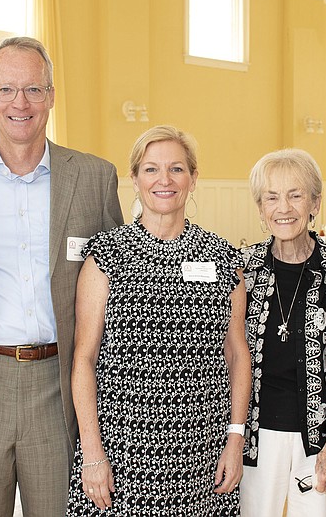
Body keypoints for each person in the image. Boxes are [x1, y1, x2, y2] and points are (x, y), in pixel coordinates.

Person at [0, 36, 123, 516]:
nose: (19, 103)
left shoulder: (93, 177)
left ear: (52, 96)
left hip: (59, 384)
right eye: (5, 89)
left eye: (34, 90)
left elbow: (123, 287)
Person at [66, 125, 251, 515]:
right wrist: (92, 452)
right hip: (122, 454)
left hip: (202, 453)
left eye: (177, 169)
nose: (164, 180)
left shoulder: (223, 258)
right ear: (134, 179)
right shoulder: (107, 256)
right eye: (151, 169)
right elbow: (84, 359)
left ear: (194, 179)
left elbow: (237, 354)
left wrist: (236, 440)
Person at [239, 149, 326, 517]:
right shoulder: (241, 270)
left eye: (295, 194)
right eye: (271, 197)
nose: (283, 207)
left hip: (321, 438)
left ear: (315, 203)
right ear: (260, 208)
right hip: (254, 437)